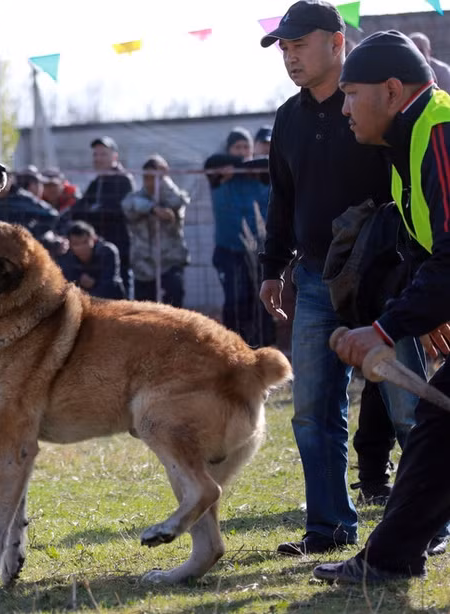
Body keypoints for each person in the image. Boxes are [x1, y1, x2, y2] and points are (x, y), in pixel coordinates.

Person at [258, 0, 425, 556]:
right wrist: (272, 267)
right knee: (312, 413)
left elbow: (414, 200)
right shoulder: (287, 117)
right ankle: (328, 528)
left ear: (337, 42)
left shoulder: (383, 110)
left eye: (299, 45)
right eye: (283, 48)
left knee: (409, 408)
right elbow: (282, 198)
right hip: (313, 279)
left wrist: (424, 289)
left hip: (384, 280)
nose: (289, 57)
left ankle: (429, 528)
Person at [315, 30, 450, 583]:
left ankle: (388, 558)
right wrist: (425, 310)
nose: (342, 107)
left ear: (392, 91)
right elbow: (429, 248)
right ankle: (389, 559)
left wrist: (386, 328)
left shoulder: (437, 131)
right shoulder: (406, 142)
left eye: (351, 93)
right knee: (440, 423)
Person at [205, 128, 274, 346]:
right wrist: (234, 167)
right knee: (236, 300)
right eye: (237, 147)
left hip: (257, 252)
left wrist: (242, 166)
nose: (242, 152)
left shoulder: (261, 172)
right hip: (229, 250)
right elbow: (211, 161)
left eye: (246, 148)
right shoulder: (219, 175)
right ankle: (232, 346)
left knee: (260, 301)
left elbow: (269, 161)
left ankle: (261, 348)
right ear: (229, 149)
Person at [66, 137, 136, 296]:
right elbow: (79, 208)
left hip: (119, 245)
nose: (98, 159)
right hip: (98, 250)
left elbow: (117, 211)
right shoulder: (97, 182)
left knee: (121, 290)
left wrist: (93, 211)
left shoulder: (123, 180)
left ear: (114, 157)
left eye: (103, 154)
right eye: (95, 155)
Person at [122, 155, 190, 307]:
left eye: (157, 177)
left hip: (170, 261)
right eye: (148, 177)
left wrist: (164, 181)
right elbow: (129, 205)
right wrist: (153, 209)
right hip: (144, 264)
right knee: (145, 310)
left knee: (174, 305)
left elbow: (179, 201)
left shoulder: (173, 197)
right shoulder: (136, 198)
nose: (151, 181)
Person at [56, 221, 124, 299]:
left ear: (93, 239)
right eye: (76, 244)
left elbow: (109, 284)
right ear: (70, 245)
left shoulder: (107, 251)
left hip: (111, 302)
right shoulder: (66, 257)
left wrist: (94, 284)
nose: (82, 248)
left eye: (85, 242)